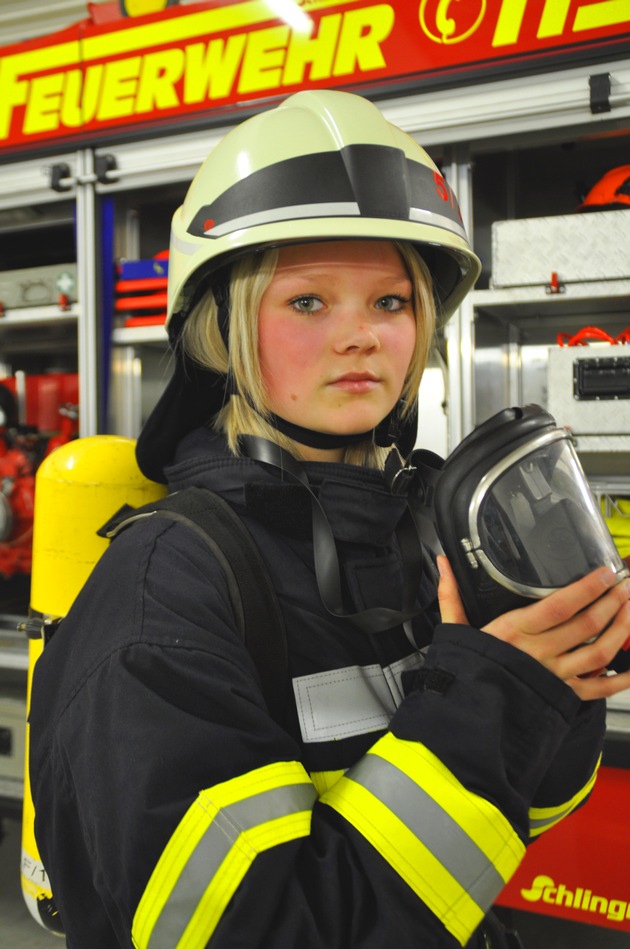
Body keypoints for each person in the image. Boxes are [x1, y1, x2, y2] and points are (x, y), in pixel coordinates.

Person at [29, 90, 630, 949]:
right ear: (221, 332)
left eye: (390, 302)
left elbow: (517, 814)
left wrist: (556, 677)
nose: (362, 336)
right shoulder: (167, 596)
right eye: (308, 302)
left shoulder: (419, 531)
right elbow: (267, 930)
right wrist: (492, 693)